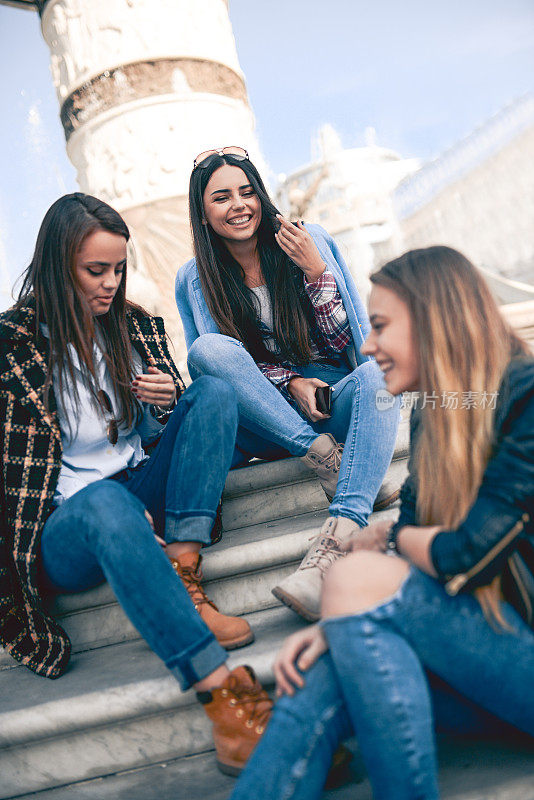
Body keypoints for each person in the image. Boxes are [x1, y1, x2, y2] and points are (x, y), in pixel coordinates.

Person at [229, 245, 534, 800]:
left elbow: (468, 554)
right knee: (329, 668)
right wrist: (332, 626)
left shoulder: (526, 394)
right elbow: (419, 531)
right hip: (484, 663)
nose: (367, 346)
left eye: (381, 326)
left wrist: (388, 534)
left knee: (350, 577)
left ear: (435, 319)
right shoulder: (438, 413)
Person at [0, 193, 273, 776]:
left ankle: (185, 574)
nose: (110, 284)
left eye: (118, 269)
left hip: (136, 487)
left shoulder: (131, 326)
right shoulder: (10, 348)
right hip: (67, 524)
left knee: (214, 393)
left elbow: (158, 432)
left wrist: (165, 401)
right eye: (95, 271)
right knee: (105, 503)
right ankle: (221, 696)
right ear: (56, 265)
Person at [175, 146, 400, 622]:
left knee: (377, 376)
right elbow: (215, 369)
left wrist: (315, 272)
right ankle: (322, 455)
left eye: (247, 191)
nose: (239, 205)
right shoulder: (194, 278)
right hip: (268, 421)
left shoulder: (305, 239)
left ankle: (336, 539)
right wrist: (289, 380)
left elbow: (344, 340)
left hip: (329, 401)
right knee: (207, 351)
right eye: (221, 197)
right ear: (203, 212)